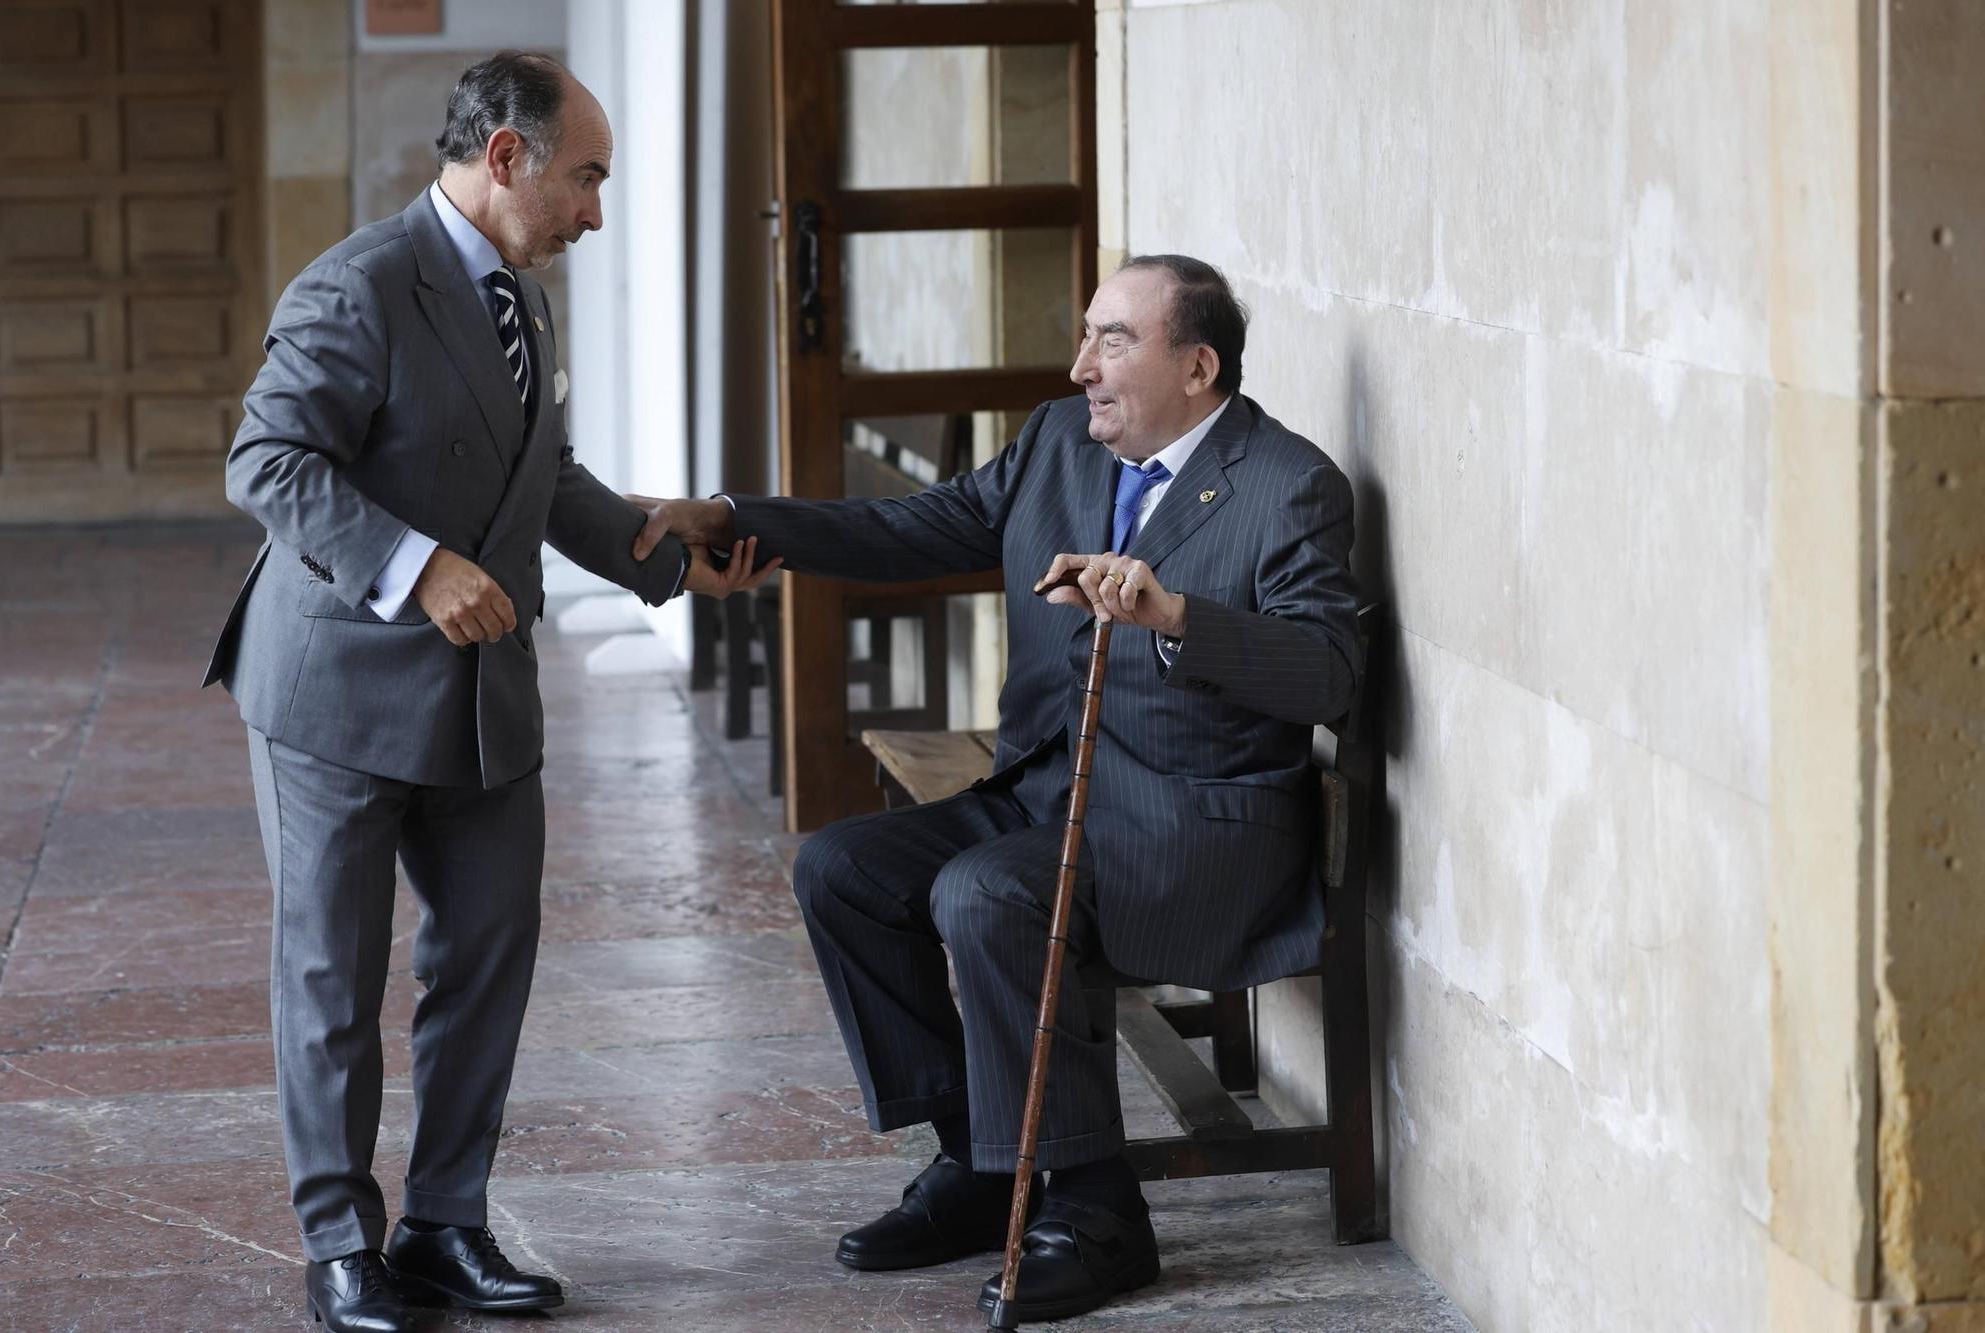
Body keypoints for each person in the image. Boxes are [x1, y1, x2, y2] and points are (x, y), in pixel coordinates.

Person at [633, 254, 1363, 1321]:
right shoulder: (1060, 443)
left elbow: (1330, 670)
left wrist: (1175, 619)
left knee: (989, 893)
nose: (1081, 367)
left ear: (1198, 364)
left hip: (1196, 831)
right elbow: (913, 529)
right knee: (842, 869)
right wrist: (737, 518)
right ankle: (983, 1164)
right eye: (1084, 336)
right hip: (1044, 790)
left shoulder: (1285, 484)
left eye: (1113, 340)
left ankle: (1095, 1216)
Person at [202, 52, 773, 1333]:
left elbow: (544, 479)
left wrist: (670, 560)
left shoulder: (521, 293)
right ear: (505, 158)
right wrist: (416, 569)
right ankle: (341, 1249)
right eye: (586, 177)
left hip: (481, 698)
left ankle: (447, 1224)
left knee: (485, 962)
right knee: (333, 979)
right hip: (334, 694)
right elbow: (267, 459)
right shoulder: (357, 285)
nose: (596, 212)